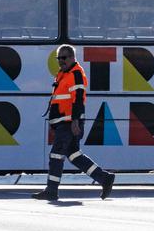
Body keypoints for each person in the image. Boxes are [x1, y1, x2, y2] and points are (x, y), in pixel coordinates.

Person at [33, 45, 115, 201]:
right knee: (74, 155)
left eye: (64, 58)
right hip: (64, 122)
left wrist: (75, 121)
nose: (61, 61)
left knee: (56, 155)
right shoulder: (63, 74)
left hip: (69, 122)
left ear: (72, 57)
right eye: (59, 58)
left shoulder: (76, 74)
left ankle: (51, 190)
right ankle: (104, 178)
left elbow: (78, 99)